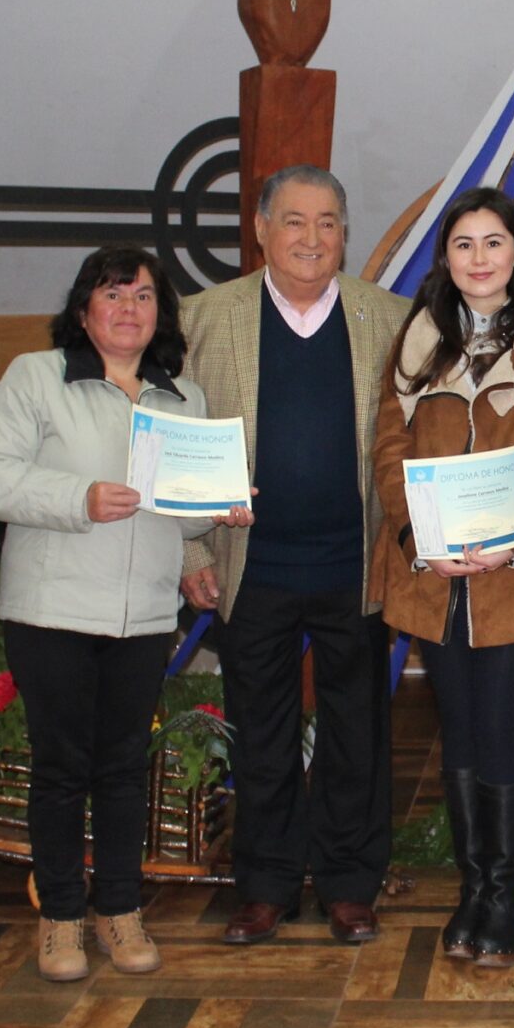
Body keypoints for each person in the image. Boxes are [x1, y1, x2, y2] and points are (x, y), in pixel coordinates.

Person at [0, 247, 244, 983]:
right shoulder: (37, 376)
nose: (128, 309)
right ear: (84, 308)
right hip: (51, 610)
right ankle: (60, 916)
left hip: (144, 617)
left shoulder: (183, 398)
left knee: (123, 769)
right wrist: (77, 498)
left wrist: (219, 510)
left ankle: (120, 909)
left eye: (143, 296)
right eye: (112, 294)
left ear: (161, 314)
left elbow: (180, 518)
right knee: (61, 770)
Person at [176, 167, 406, 948]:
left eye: (329, 222)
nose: (313, 237)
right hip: (252, 565)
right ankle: (266, 884)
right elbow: (175, 442)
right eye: (296, 221)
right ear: (261, 229)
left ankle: (349, 883)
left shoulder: (389, 317)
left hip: (355, 563)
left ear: (345, 232)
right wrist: (192, 545)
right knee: (261, 732)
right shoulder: (204, 317)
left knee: (357, 733)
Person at [371, 188, 514, 970]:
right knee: (456, 733)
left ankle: (504, 895)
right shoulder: (414, 341)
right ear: (447, 257)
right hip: (433, 572)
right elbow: (389, 446)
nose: (480, 257)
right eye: (464, 244)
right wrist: (417, 534)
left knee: (500, 730)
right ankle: (473, 888)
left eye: (495, 242)